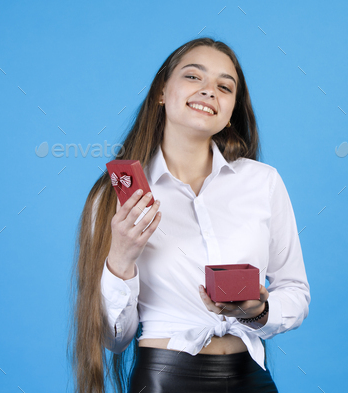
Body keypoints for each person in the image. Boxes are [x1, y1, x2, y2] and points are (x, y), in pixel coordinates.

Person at [69, 37, 311, 393]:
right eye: (194, 77)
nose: (209, 91)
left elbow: (295, 290)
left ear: (231, 113)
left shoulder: (262, 182)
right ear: (161, 93)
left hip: (250, 378)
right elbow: (113, 338)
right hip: (165, 379)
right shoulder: (114, 198)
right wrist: (121, 257)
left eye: (224, 86)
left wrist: (257, 311)